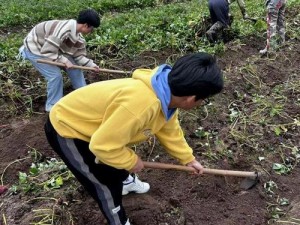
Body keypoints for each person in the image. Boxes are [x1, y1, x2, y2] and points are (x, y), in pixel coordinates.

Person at [44, 52, 224, 225]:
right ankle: (118, 221)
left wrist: (188, 159)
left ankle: (125, 181)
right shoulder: (141, 106)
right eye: (204, 100)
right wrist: (131, 161)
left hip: (98, 130)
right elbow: (103, 146)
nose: (202, 104)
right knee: (102, 182)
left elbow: (169, 129)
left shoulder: (166, 93)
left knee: (114, 157)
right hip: (68, 128)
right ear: (192, 99)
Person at [19, 9, 101, 112]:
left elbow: (79, 56)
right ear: (85, 25)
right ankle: (52, 107)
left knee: (75, 68)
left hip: (54, 50)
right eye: (92, 28)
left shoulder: (79, 38)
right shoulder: (63, 30)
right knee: (55, 76)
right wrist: (64, 60)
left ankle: (83, 94)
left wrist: (91, 65)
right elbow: (47, 51)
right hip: (36, 49)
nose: (91, 32)